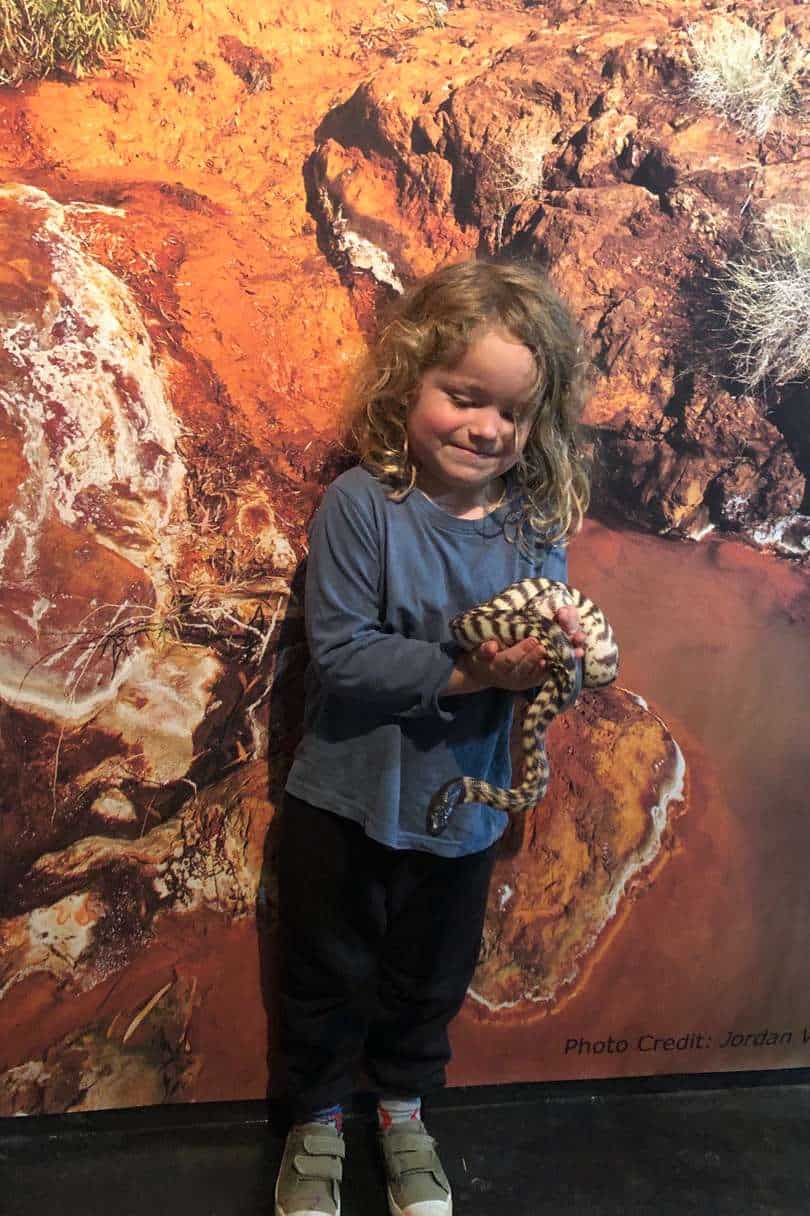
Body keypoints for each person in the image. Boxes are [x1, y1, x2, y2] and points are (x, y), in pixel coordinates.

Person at [274, 258, 592, 1216]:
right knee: (326, 971)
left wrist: (558, 662)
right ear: (409, 381)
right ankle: (316, 1121)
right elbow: (344, 658)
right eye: (464, 397)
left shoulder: (536, 527)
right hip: (346, 800)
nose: (487, 428)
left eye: (513, 414)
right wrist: (474, 672)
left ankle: (404, 1112)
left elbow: (554, 664)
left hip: (463, 811)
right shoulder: (364, 508)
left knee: (430, 979)